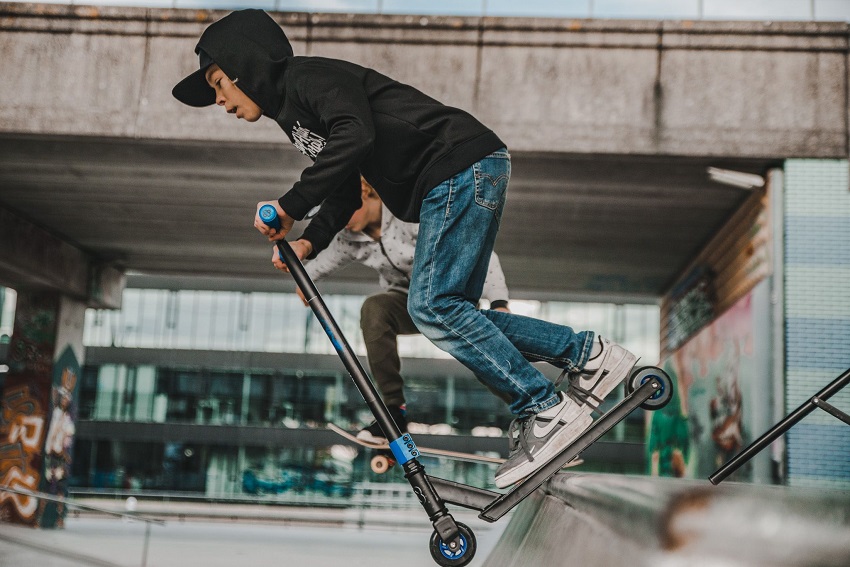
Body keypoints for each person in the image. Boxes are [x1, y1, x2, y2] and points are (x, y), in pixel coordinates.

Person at [173, 9, 637, 488]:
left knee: (431, 306)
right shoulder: (291, 117)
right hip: (463, 170)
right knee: (453, 311)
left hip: (457, 166)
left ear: (245, 66)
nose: (220, 101)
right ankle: (589, 355)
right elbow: (347, 191)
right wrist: (308, 240)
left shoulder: (308, 78)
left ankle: (545, 409)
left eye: (218, 83)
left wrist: (290, 204)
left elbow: (356, 134)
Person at [278, 178, 511, 442]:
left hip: (450, 299)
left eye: (344, 209)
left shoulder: (409, 217)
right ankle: (393, 412)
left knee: (480, 358)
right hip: (408, 302)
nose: (339, 219)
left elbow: (480, 251)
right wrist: (300, 279)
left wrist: (499, 302)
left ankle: (532, 406)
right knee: (375, 310)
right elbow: (315, 269)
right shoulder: (348, 240)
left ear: (364, 194)